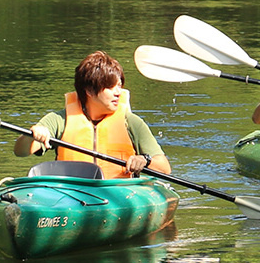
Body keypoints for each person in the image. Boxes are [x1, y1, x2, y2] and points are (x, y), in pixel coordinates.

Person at [14, 51, 171, 178]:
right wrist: (32, 134)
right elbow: (20, 151)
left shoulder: (132, 123)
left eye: (119, 86)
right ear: (89, 91)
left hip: (117, 194)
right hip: (73, 193)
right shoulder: (59, 120)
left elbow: (164, 167)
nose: (118, 93)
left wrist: (145, 160)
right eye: (110, 87)